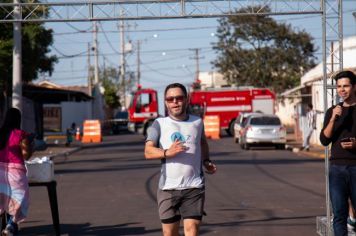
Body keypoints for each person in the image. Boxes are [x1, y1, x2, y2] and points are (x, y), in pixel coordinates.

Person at [144, 83, 217, 236]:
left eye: (179, 98)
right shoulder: (158, 124)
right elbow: (148, 151)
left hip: (194, 187)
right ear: (165, 102)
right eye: (170, 99)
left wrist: (206, 161)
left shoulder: (197, 122)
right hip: (168, 189)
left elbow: (202, 142)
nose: (175, 102)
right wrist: (167, 152)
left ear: (187, 99)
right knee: (170, 233)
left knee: (192, 230)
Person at [319, 70, 356, 236]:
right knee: (339, 216)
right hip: (337, 169)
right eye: (339, 87)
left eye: (346, 86)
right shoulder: (332, 111)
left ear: (354, 87)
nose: (342, 90)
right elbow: (324, 140)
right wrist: (334, 118)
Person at [0, 108, 33, 236]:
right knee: (19, 199)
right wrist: (30, 144)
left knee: (3, 198)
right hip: (15, 175)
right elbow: (26, 156)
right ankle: (11, 225)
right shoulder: (20, 134)